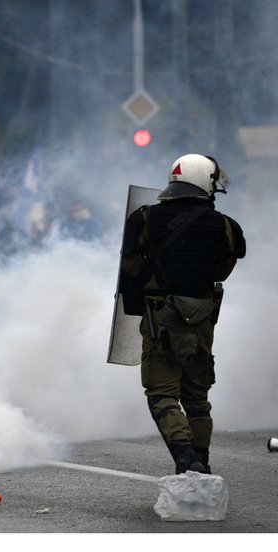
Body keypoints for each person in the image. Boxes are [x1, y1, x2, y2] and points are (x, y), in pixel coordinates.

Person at [119, 154, 246, 475]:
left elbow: (130, 268)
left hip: (160, 318)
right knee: (197, 397)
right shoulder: (227, 227)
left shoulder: (145, 219)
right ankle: (201, 461)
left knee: (162, 394)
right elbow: (222, 270)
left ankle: (185, 457)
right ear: (206, 182)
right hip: (202, 320)